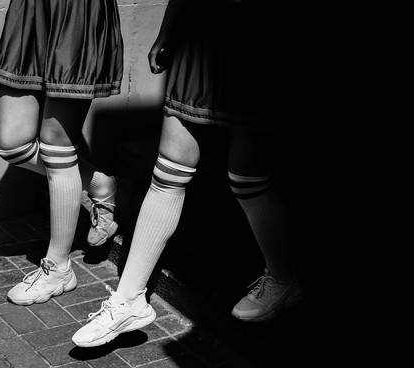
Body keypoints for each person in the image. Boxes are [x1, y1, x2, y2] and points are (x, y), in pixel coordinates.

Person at [72, 0, 304, 347]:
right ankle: (128, 300)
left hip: (259, 37)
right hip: (202, 32)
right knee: (167, 174)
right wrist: (167, 33)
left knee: (247, 179)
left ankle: (284, 279)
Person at [0, 0, 131, 306]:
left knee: (57, 144)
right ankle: (100, 185)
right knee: (12, 143)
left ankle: (58, 269)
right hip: (31, 10)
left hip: (76, 11)